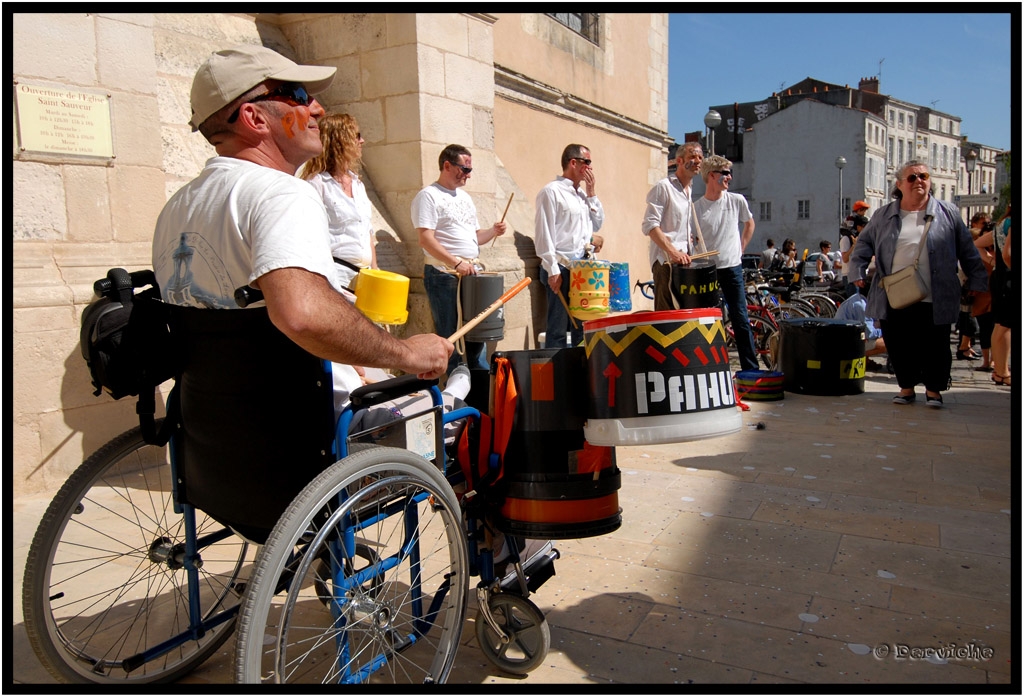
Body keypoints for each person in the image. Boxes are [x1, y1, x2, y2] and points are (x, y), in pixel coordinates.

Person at [152, 45, 452, 417]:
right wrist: (406, 353)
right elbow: (302, 315)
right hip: (315, 422)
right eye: (297, 95)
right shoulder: (281, 193)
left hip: (215, 426)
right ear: (254, 118)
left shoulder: (177, 206)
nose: (317, 109)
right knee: (456, 418)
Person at [848, 160, 987, 408]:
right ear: (900, 184)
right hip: (896, 291)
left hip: (936, 292)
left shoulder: (948, 213)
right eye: (912, 177)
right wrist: (857, 270)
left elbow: (968, 250)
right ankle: (906, 388)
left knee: (937, 342)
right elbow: (863, 245)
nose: (919, 181)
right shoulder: (884, 214)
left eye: (923, 176)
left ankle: (934, 390)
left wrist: (977, 278)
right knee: (899, 342)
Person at [413, 144, 507, 376]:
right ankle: (456, 393)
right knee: (451, 337)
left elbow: (476, 237)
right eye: (464, 169)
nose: (468, 174)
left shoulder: (464, 198)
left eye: (469, 169)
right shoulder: (428, 196)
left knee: (477, 334)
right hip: (445, 275)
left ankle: (479, 389)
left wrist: (493, 231)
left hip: (471, 274)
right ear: (447, 165)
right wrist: (456, 263)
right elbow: (426, 239)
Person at [535, 144, 606, 347]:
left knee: (582, 328)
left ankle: (579, 371)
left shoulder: (583, 195)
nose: (590, 168)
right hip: (562, 267)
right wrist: (552, 269)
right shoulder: (551, 192)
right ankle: (557, 375)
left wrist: (592, 193)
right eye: (587, 162)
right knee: (557, 328)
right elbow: (544, 232)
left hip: (583, 269)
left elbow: (598, 222)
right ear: (573, 162)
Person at [693, 155, 758, 371]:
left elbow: (749, 224)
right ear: (712, 175)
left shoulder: (737, 200)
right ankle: (711, 367)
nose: (729, 177)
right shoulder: (697, 208)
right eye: (725, 173)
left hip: (732, 267)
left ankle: (750, 368)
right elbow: (692, 239)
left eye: (730, 173)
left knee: (740, 317)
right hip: (707, 269)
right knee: (709, 319)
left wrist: (741, 248)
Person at [302, 113, 375, 293]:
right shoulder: (316, 184)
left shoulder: (358, 184)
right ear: (339, 140)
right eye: (357, 136)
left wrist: (375, 270)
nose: (362, 141)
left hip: (364, 277)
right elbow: (308, 235)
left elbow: (367, 233)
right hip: (335, 277)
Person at [641, 142, 702, 310]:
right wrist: (673, 251)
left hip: (684, 262)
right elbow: (650, 225)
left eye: (700, 157)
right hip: (666, 263)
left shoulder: (688, 189)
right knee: (666, 317)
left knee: (683, 315)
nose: (698, 161)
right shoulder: (664, 187)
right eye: (693, 157)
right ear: (680, 161)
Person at [975, 204, 1012, 386]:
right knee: (1005, 325)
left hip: (1000, 277)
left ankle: (1000, 370)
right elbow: (1008, 253)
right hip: (1009, 277)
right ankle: (1003, 371)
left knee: (1000, 325)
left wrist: (992, 260)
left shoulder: (1002, 224)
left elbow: (977, 244)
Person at [834, 289, 887, 371]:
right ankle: (855, 357)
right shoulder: (862, 306)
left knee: (866, 334)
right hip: (844, 345)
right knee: (889, 342)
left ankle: (865, 361)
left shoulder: (859, 300)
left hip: (848, 338)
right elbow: (870, 334)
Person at [970, 213, 996, 372]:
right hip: (981, 294)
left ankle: (994, 361)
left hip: (996, 294)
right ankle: (987, 361)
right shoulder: (979, 252)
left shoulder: (998, 252)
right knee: (986, 329)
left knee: (995, 328)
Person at [840, 214, 868, 297]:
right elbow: (845, 259)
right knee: (855, 302)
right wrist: (854, 246)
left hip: (860, 274)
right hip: (850, 276)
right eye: (863, 226)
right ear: (858, 226)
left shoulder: (859, 238)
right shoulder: (846, 239)